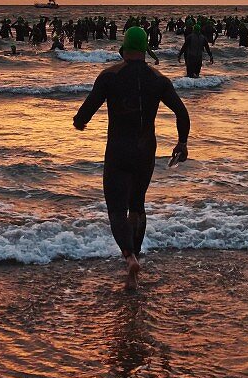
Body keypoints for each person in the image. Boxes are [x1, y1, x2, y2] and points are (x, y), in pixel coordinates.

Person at [73, 27, 190, 290]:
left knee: (116, 210)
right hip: (145, 151)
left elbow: (85, 112)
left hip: (118, 151)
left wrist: (79, 123)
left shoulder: (109, 76)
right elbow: (182, 113)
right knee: (137, 207)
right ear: (146, 50)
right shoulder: (158, 79)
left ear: (124, 48)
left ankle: (129, 257)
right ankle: (134, 269)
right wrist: (182, 142)